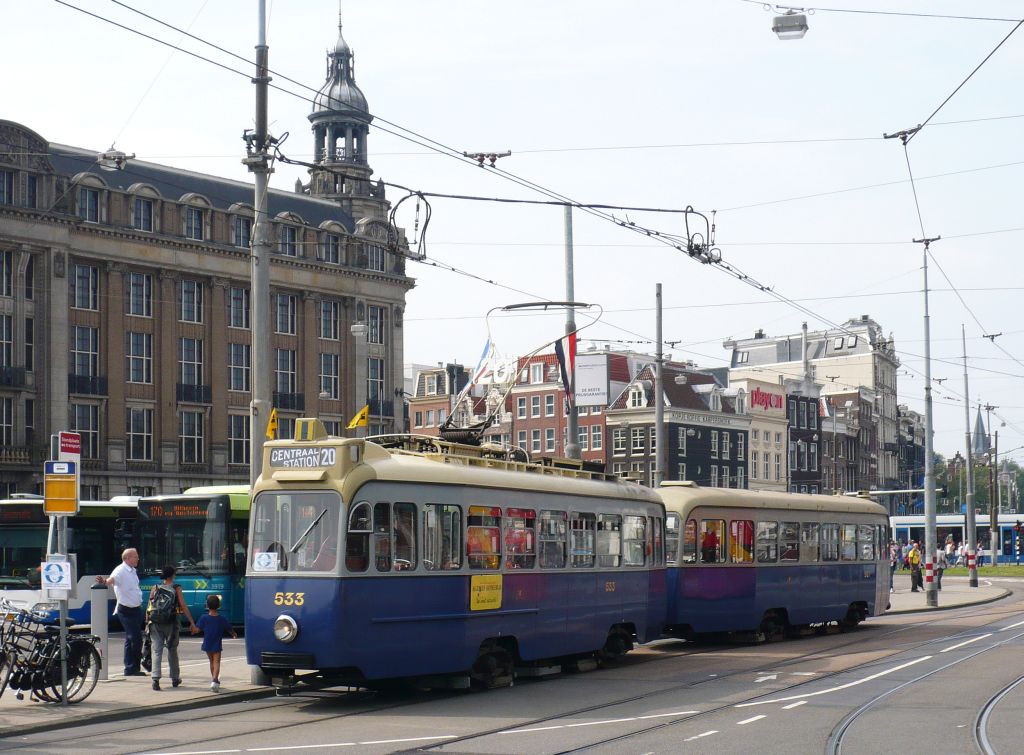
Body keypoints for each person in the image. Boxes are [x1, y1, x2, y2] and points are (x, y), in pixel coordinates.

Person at [96, 548, 146, 676]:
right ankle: (132, 668)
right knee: (135, 638)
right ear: (128, 558)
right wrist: (104, 582)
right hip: (126, 609)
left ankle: (131, 668)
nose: (138, 559)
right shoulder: (120, 570)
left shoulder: (133, 571)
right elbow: (111, 580)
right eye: (136, 557)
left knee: (131, 639)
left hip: (135, 609)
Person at [147, 565, 198, 691]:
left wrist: (147, 622)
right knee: (172, 650)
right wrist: (192, 622)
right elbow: (183, 606)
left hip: (155, 622)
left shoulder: (155, 587)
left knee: (156, 650)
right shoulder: (176, 588)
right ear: (173, 575)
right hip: (171, 622)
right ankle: (175, 678)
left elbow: (150, 606)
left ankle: (155, 679)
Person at [195, 595, 237, 692]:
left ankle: (215, 680)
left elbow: (198, 629)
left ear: (207, 605)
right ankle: (214, 680)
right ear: (219, 606)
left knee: (211, 661)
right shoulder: (222, 619)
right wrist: (233, 634)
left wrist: (193, 629)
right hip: (217, 643)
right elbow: (229, 628)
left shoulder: (203, 618)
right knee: (217, 661)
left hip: (207, 642)